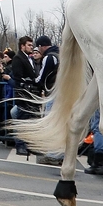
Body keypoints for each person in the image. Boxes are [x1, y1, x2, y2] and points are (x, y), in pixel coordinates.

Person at [32, 35, 63, 164]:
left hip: (53, 91)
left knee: (51, 123)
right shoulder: (61, 54)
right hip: (63, 91)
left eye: (39, 47)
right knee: (61, 123)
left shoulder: (49, 57)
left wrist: (33, 81)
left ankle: (52, 155)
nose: (39, 50)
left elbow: (42, 77)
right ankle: (60, 153)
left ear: (42, 46)